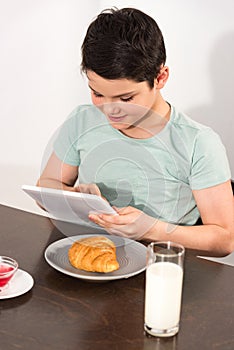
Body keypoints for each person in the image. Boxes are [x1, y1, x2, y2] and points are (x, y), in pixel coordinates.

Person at [37, 7, 234, 255]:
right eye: (98, 93)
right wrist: (74, 196)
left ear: (160, 78)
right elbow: (46, 184)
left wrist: (151, 229)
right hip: (89, 258)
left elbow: (225, 239)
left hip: (159, 270)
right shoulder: (82, 120)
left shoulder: (198, 143)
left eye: (126, 98)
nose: (110, 110)